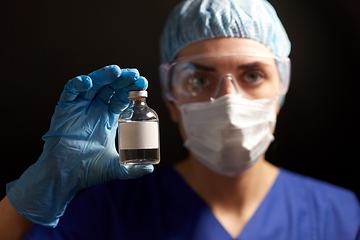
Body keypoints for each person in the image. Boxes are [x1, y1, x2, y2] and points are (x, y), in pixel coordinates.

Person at [1, 0, 359, 239]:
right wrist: (29, 200)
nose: (229, 102)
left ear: (280, 92)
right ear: (170, 100)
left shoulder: (341, 216)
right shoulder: (106, 212)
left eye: (252, 75)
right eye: (199, 79)